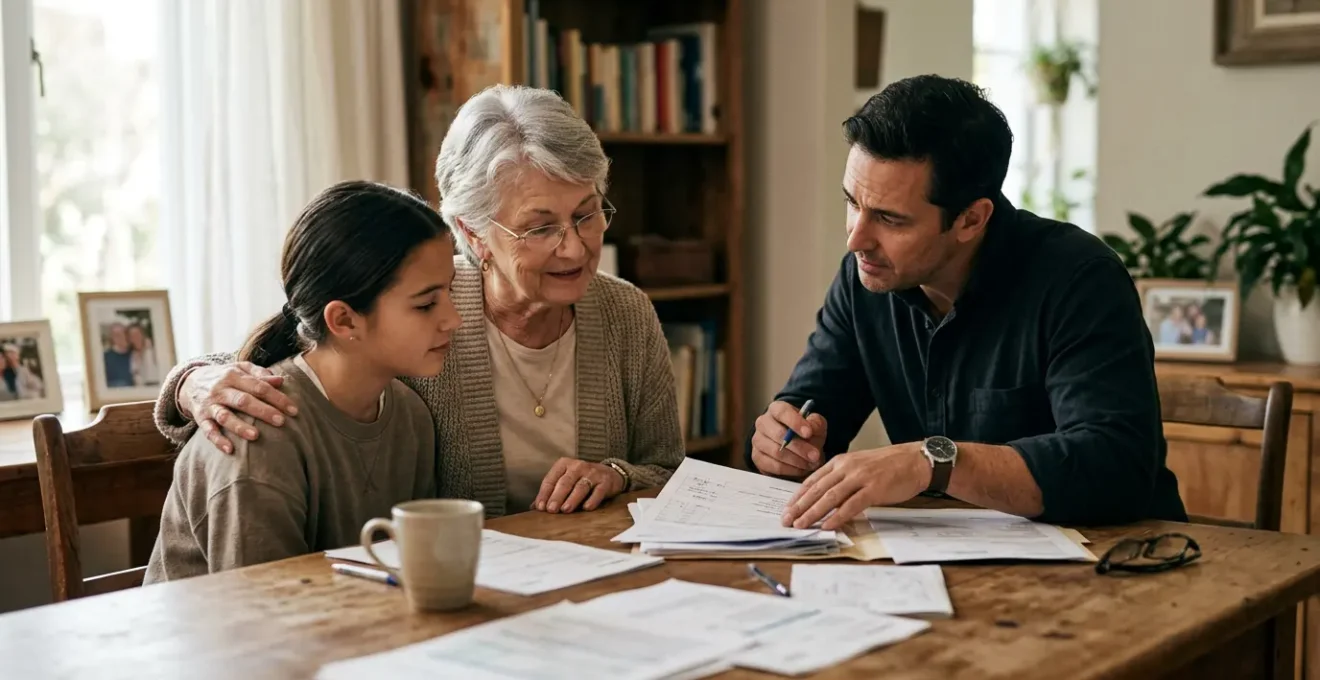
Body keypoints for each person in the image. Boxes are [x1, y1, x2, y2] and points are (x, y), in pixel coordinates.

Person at [149, 84, 684, 519]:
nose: (575, 247)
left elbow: (670, 473)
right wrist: (190, 381)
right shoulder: (422, 306)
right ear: (472, 234)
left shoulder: (625, 313)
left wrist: (618, 474)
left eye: (587, 214)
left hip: (593, 577)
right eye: (540, 227)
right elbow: (306, 345)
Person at [748, 75, 1186, 531]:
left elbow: (1114, 467)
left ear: (971, 219)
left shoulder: (1080, 279)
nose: (856, 239)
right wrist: (780, 444)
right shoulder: (867, 279)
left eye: (889, 219)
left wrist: (932, 461)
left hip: (1120, 554)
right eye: (852, 203)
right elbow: (808, 415)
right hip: (943, 555)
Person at [143, 180, 459, 583]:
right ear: (344, 320)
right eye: (427, 304)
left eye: (449, 292)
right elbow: (265, 611)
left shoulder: (411, 417)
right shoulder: (257, 437)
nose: (454, 319)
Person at [103, 324, 135, 388]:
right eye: (117, 335)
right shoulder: (105, 358)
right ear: (112, 338)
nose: (121, 337)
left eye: (124, 333)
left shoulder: (134, 353)